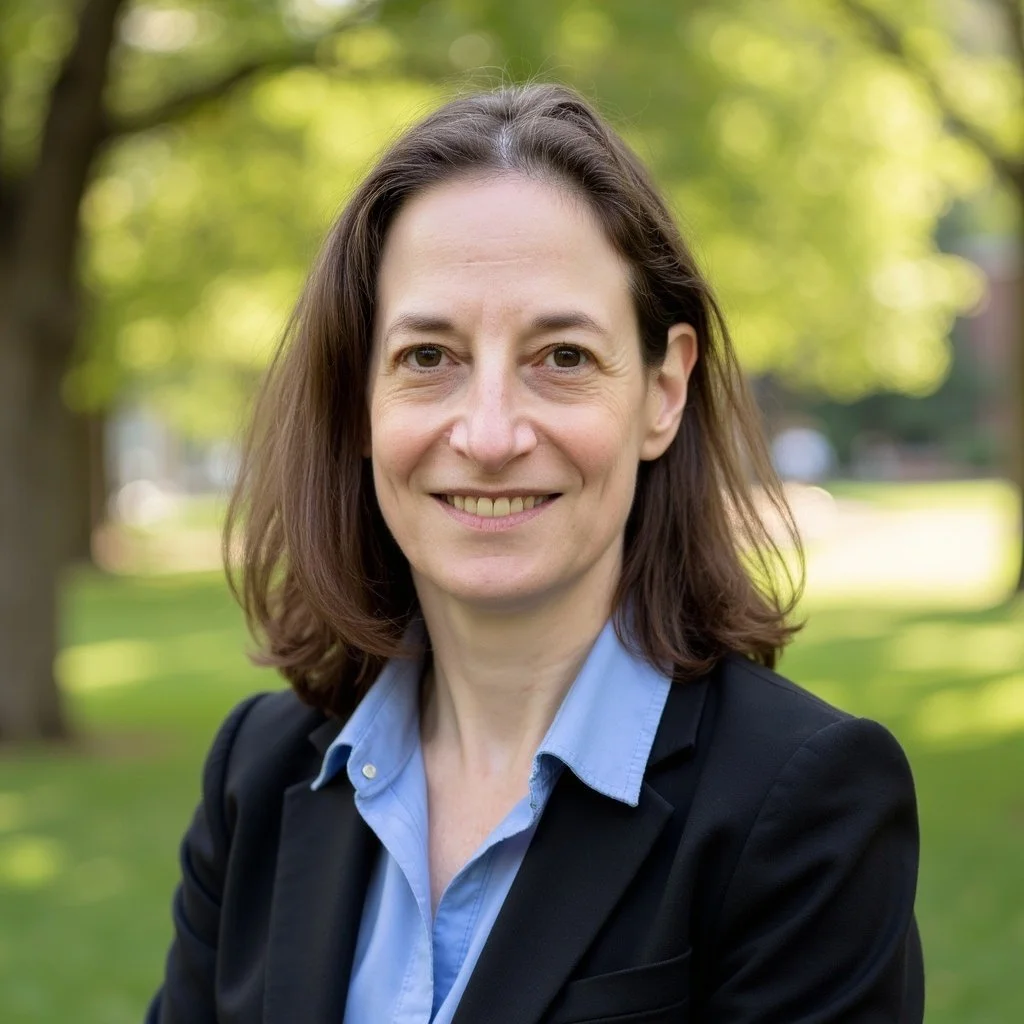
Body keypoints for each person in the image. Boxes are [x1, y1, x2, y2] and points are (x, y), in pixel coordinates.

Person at [146, 84, 923, 1023]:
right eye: (428, 357)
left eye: (561, 357)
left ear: (662, 391)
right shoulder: (259, 777)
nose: (489, 433)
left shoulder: (805, 805)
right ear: (358, 399)